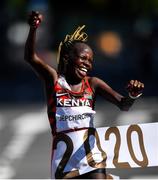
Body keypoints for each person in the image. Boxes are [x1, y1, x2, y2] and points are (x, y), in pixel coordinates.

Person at [24, 11, 144, 179]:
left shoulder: (93, 83)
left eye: (90, 61)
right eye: (83, 58)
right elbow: (30, 57)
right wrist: (33, 28)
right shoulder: (54, 81)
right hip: (63, 160)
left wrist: (132, 95)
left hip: (90, 153)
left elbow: (124, 105)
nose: (87, 64)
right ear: (67, 58)